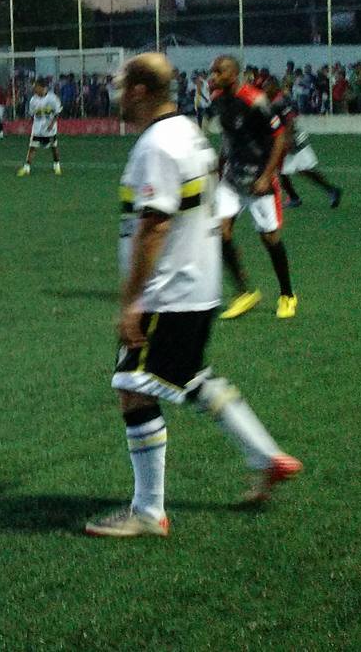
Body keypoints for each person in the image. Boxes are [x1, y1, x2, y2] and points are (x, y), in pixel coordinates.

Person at [86, 52, 301, 538]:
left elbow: (153, 227)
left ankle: (147, 510)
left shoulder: (157, 146)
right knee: (191, 379)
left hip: (169, 294)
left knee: (132, 388)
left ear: (140, 90)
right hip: (198, 289)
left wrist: (131, 303)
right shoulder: (188, 132)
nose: (116, 93)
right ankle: (266, 456)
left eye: (121, 85)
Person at [207, 56, 296, 320]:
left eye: (219, 71)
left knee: (269, 238)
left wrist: (267, 175)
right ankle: (245, 293)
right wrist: (220, 164)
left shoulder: (255, 100)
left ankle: (287, 294)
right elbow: (229, 136)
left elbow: (280, 138)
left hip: (259, 178)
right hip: (233, 179)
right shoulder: (219, 99)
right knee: (219, 232)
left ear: (233, 74)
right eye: (213, 71)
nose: (213, 75)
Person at [267, 80, 342, 209]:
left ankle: (297, 197)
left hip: (290, 140)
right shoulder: (275, 101)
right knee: (298, 170)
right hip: (287, 139)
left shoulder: (279, 101)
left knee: (288, 170)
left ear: (274, 88)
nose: (265, 89)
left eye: (267, 86)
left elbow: (290, 119)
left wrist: (288, 138)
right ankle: (329, 190)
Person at [19, 78, 64, 177]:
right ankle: (27, 168)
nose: (34, 88)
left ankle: (57, 166)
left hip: (49, 128)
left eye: (36, 86)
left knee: (53, 147)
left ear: (42, 87)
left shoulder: (52, 98)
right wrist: (29, 123)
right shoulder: (33, 100)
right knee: (32, 147)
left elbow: (57, 112)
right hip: (37, 128)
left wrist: (52, 123)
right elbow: (32, 114)